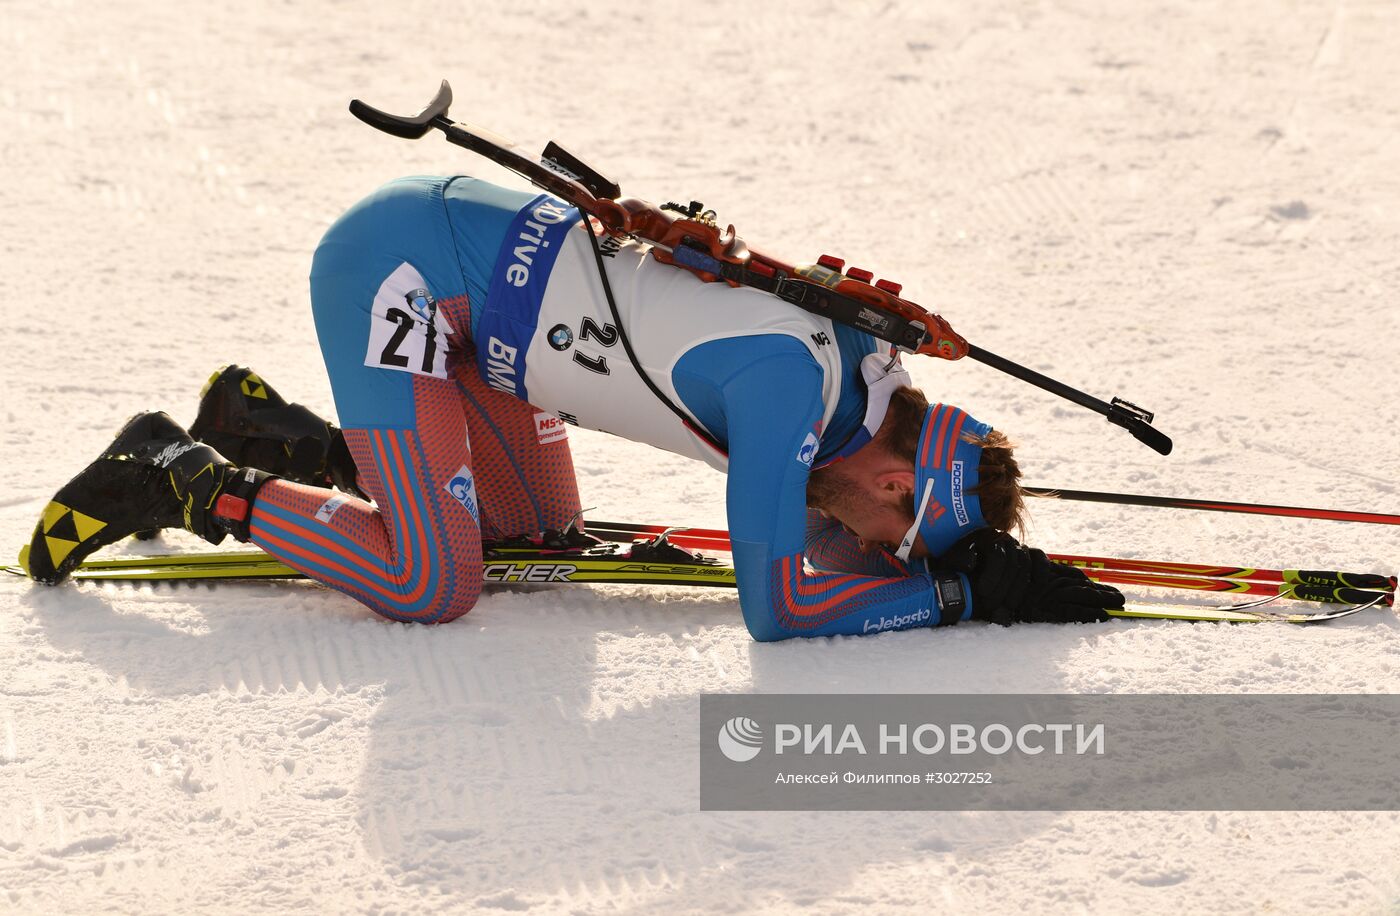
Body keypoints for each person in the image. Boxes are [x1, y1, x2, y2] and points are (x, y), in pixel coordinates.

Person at [22, 176, 1124, 639]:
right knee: (432, 580)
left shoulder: (864, 385)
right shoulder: (795, 393)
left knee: (532, 532)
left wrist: (943, 568)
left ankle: (278, 433)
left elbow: (807, 559)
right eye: (884, 538)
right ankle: (179, 469)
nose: (855, 543)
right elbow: (776, 607)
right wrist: (950, 598)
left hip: (485, 334)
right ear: (896, 479)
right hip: (401, 271)